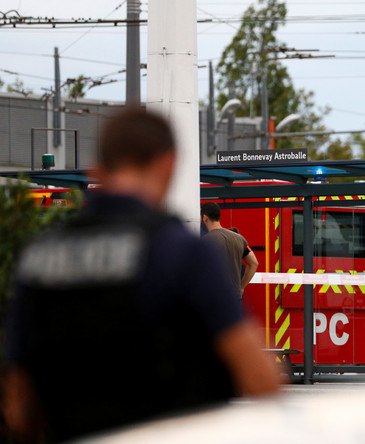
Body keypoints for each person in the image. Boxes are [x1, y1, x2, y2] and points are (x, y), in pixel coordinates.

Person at [4, 108, 279, 442]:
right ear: (169, 165)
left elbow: (17, 404)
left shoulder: (39, 256)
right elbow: (260, 379)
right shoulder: (182, 252)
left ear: (98, 169)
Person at [200, 202, 259, 301]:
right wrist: (241, 287)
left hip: (214, 298)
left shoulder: (205, 241)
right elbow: (254, 263)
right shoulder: (239, 238)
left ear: (205, 218)